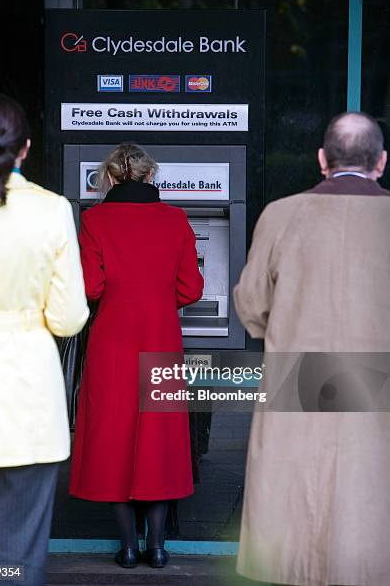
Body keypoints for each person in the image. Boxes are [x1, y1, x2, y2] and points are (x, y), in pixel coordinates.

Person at [234, 112, 390, 586]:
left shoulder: (282, 214)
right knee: (366, 511)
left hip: (298, 375)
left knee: (295, 510)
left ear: (322, 160)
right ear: (381, 162)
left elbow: (251, 305)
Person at [0, 94, 89, 586]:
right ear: (26, 149)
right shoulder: (52, 211)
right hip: (28, 398)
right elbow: (70, 317)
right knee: (16, 554)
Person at [69, 142, 203, 569]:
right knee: (158, 439)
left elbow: (90, 288)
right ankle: (158, 547)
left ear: (109, 178)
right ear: (151, 176)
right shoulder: (176, 219)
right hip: (161, 338)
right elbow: (191, 289)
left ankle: (128, 548)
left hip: (112, 341)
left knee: (114, 437)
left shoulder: (94, 220)